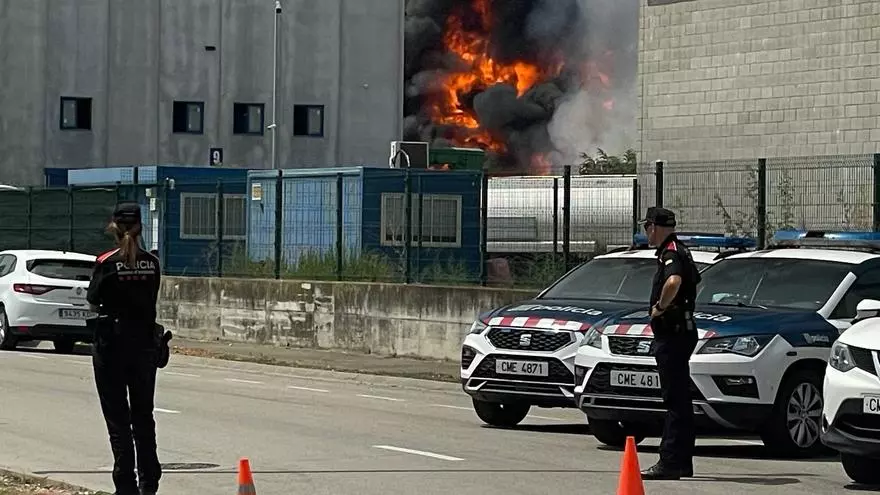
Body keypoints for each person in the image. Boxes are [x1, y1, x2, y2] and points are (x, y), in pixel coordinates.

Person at [87, 202, 163, 495]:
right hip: (144, 345)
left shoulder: (106, 262)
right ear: (141, 227)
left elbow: (93, 301)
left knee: (118, 419)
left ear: (113, 227)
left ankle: (125, 484)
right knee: (143, 416)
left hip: (111, 346)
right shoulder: (152, 262)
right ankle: (149, 482)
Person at [639, 206, 702, 480]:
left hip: (673, 333)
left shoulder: (671, 252)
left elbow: (674, 281)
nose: (646, 233)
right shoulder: (681, 249)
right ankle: (682, 460)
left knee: (674, 400)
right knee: (681, 400)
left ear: (654, 226)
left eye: (647, 227)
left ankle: (671, 461)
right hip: (682, 332)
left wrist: (660, 307)